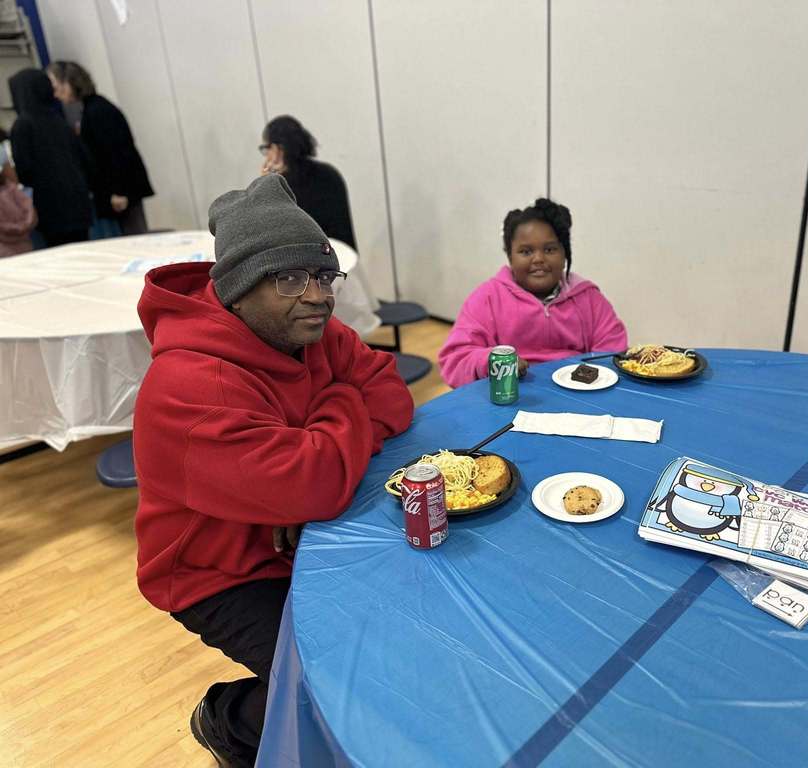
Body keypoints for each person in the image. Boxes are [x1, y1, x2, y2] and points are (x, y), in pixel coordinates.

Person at [132, 174, 413, 766]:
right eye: (287, 278)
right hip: (218, 570)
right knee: (339, 684)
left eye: (321, 275)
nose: (316, 295)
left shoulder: (307, 332)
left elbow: (393, 397)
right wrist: (337, 406)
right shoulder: (190, 385)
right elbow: (315, 481)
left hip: (297, 535)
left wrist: (307, 482)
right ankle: (230, 721)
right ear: (236, 290)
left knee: (407, 630)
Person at [438, 197, 627, 387]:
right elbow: (455, 360)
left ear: (565, 254)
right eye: (526, 252)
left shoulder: (588, 297)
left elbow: (612, 350)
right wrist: (489, 361)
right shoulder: (487, 298)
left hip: (578, 392)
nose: (538, 259)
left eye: (550, 249)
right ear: (510, 256)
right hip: (512, 396)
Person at [47, 61, 154, 235]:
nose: (55, 93)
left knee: (135, 238)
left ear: (68, 82)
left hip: (121, 193)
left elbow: (117, 153)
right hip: (120, 191)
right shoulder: (93, 108)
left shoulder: (97, 111)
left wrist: (119, 192)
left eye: (56, 86)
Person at [7, 68, 92, 247]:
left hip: (51, 209)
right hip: (78, 202)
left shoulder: (23, 125)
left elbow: (24, 170)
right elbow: (84, 158)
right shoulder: (59, 121)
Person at [259, 115, 356, 250]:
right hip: (345, 257)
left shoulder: (283, 189)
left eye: (266, 148)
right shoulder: (329, 173)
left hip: (313, 265)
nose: (266, 154)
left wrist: (265, 184)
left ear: (277, 149)